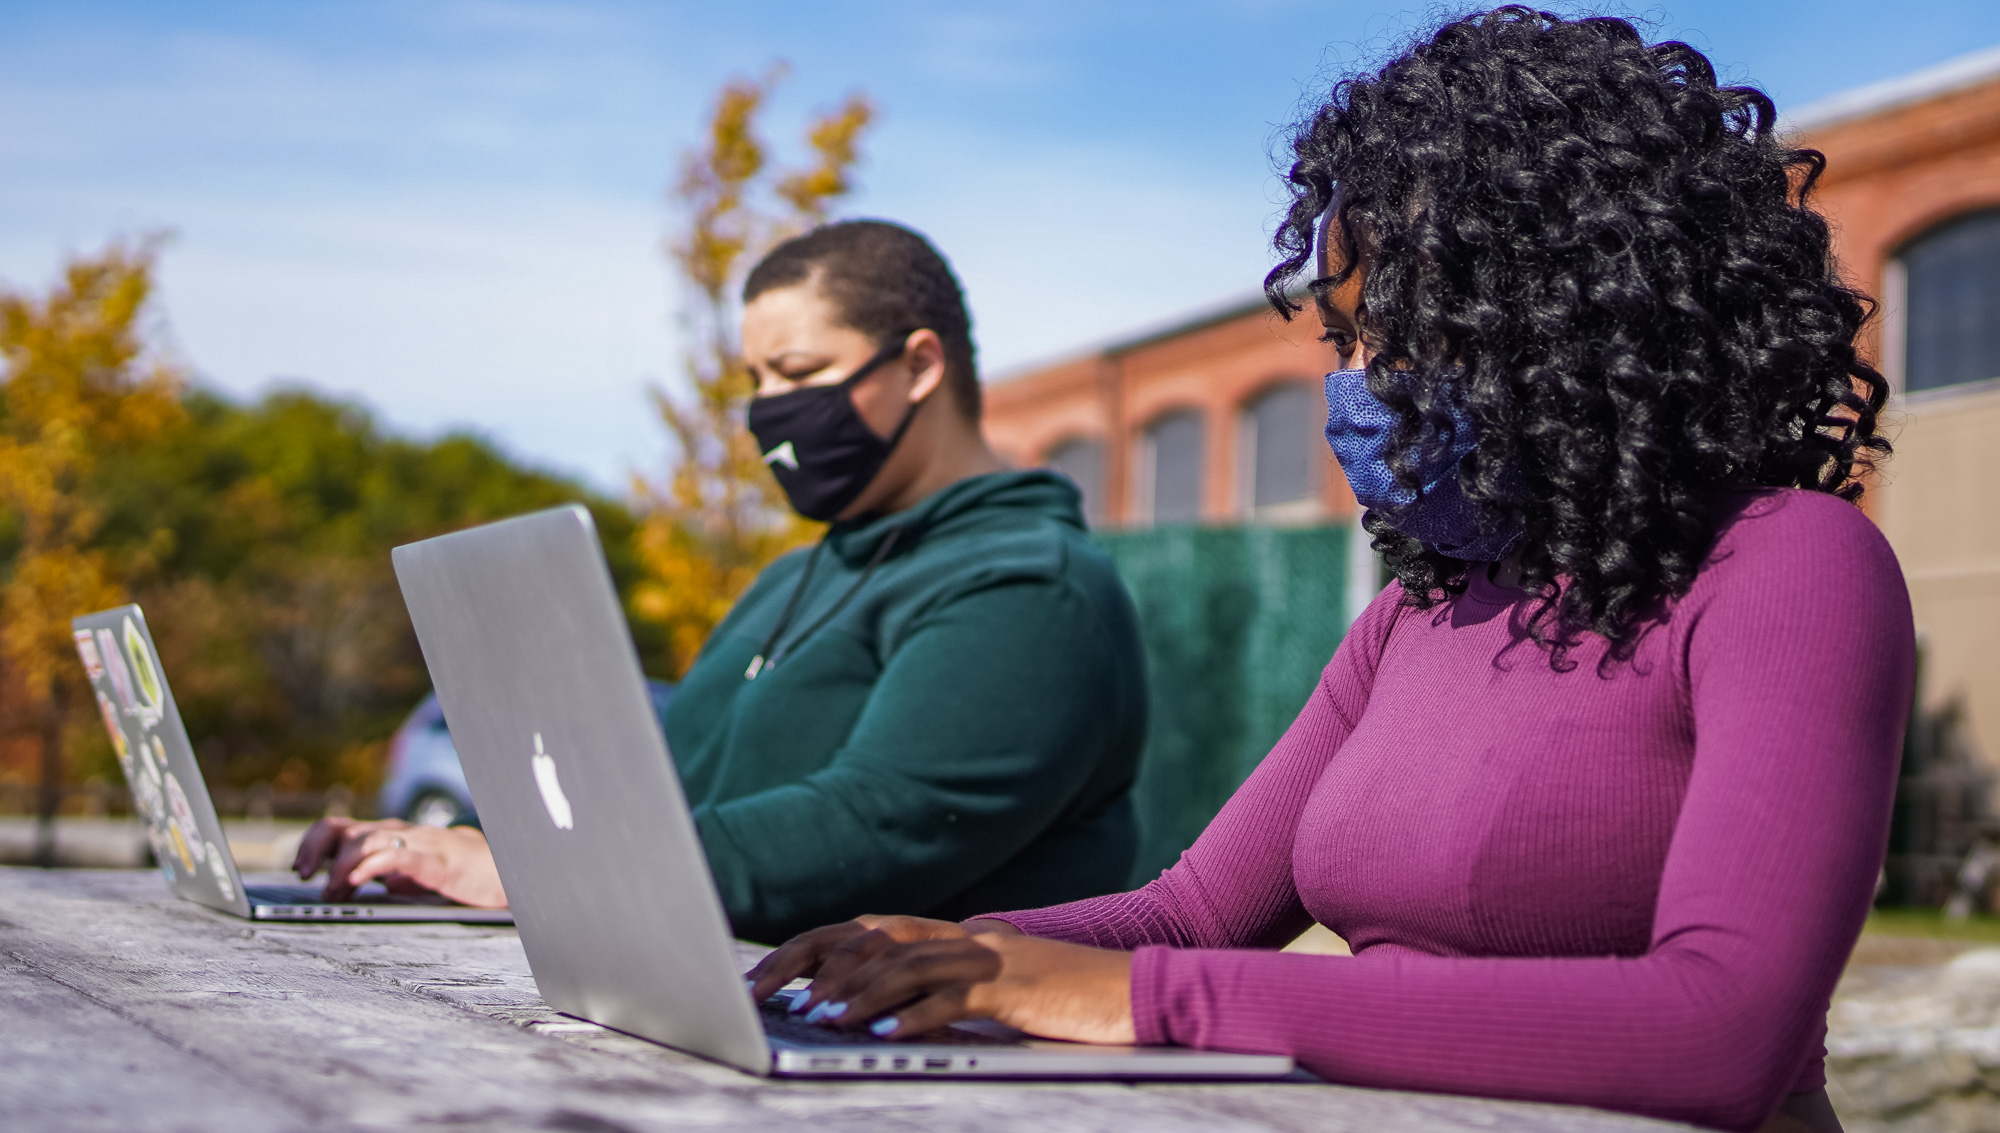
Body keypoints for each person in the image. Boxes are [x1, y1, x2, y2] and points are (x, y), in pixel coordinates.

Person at [745, 11, 1911, 1133]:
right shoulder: (1419, 610)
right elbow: (1192, 912)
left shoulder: (1786, 563)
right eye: (1342, 341)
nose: (1356, 385)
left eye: (1401, 330)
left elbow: (1719, 1029)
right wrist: (948, 950)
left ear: (1567, 314)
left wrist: (1140, 1001)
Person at [294, 220, 1150, 943]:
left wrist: (539, 869)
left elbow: (876, 825)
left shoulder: (1032, 586)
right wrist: (457, 853)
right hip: (717, 1011)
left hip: (928, 1071)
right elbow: (668, 790)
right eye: (755, 380)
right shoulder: (789, 580)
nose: (769, 410)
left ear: (920, 366)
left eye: (802, 372)